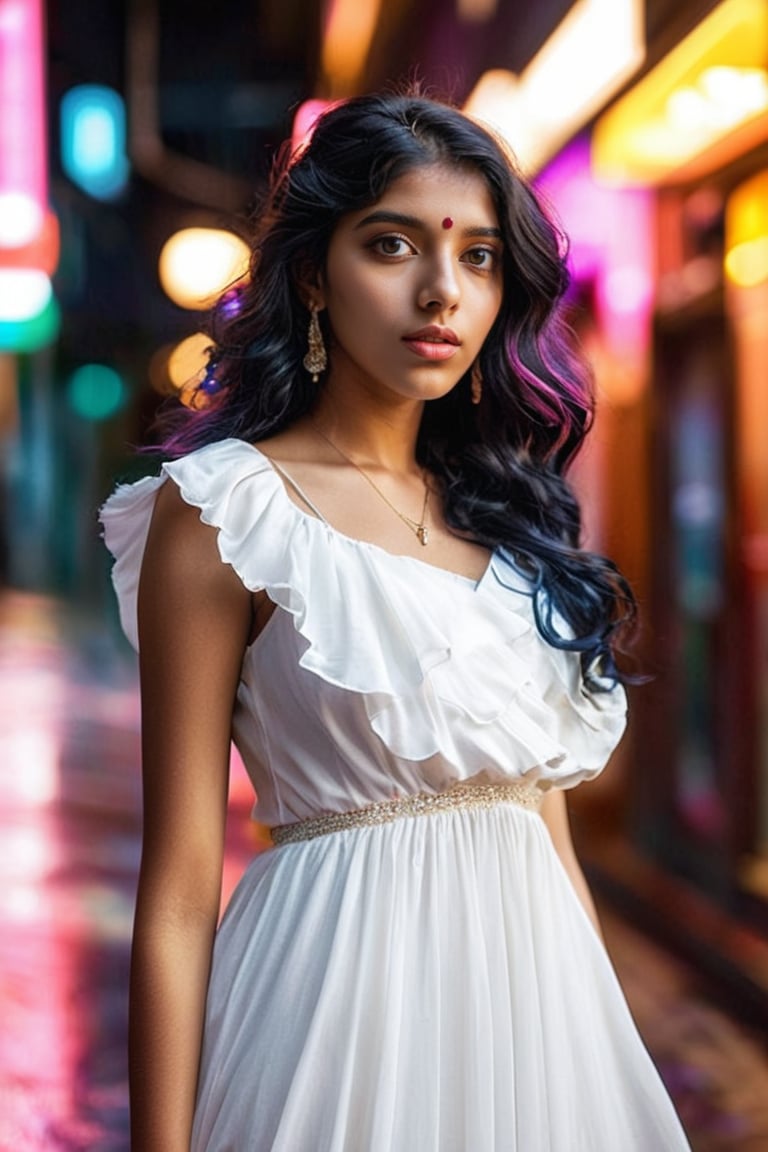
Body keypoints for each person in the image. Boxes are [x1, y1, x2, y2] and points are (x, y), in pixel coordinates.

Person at [101, 92, 692, 1151]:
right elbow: (183, 888)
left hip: (542, 1026)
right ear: (316, 276)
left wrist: (598, 1058)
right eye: (393, 245)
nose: (440, 293)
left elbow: (542, 834)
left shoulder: (511, 525)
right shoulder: (230, 510)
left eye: (476, 257)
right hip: (332, 1016)